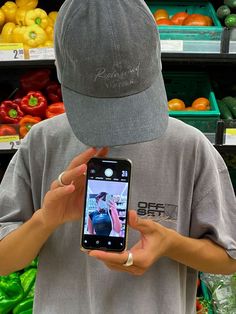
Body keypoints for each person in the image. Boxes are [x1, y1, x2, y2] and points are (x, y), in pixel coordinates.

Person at [0, 0, 236, 313]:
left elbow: (228, 258)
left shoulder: (189, 147)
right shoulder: (43, 141)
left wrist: (171, 244)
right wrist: (46, 220)